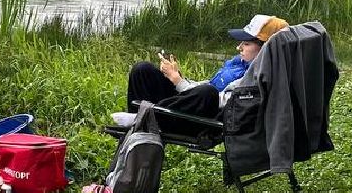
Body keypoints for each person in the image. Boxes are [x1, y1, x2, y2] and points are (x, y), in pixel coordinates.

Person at [118, 13, 289, 126]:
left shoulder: (258, 75)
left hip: (205, 119)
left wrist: (179, 82)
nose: (239, 47)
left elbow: (220, 100)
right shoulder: (240, 62)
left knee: (207, 93)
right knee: (142, 70)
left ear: (266, 47)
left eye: (246, 43)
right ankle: (138, 128)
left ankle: (143, 118)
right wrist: (180, 78)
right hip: (193, 105)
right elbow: (211, 83)